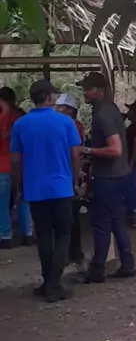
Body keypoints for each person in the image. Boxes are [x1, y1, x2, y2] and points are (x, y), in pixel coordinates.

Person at [10, 80, 81, 302]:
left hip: (35, 189)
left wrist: (19, 185)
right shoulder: (66, 122)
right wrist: (75, 181)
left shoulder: (21, 124)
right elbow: (76, 154)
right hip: (61, 187)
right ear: (48, 97)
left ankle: (47, 281)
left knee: (44, 236)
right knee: (63, 234)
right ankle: (54, 283)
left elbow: (15, 160)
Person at [76, 72, 136, 283]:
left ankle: (97, 270)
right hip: (119, 174)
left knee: (101, 224)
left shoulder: (103, 115)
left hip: (108, 177)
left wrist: (86, 150)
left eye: (88, 89)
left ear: (99, 91)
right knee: (117, 221)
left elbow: (115, 149)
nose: (85, 92)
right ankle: (127, 263)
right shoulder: (110, 109)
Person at [0, 86, 33, 248]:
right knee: (23, 199)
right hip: (23, 164)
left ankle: (5, 236)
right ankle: (27, 234)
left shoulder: (4, 117)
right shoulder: (22, 116)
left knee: (2, 202)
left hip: (4, 165)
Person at [55, 93, 86, 266]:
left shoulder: (72, 125)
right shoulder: (72, 124)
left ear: (69, 109)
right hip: (69, 171)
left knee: (70, 215)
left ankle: (72, 252)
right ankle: (73, 251)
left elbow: (75, 152)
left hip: (69, 172)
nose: (57, 109)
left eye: (60, 107)